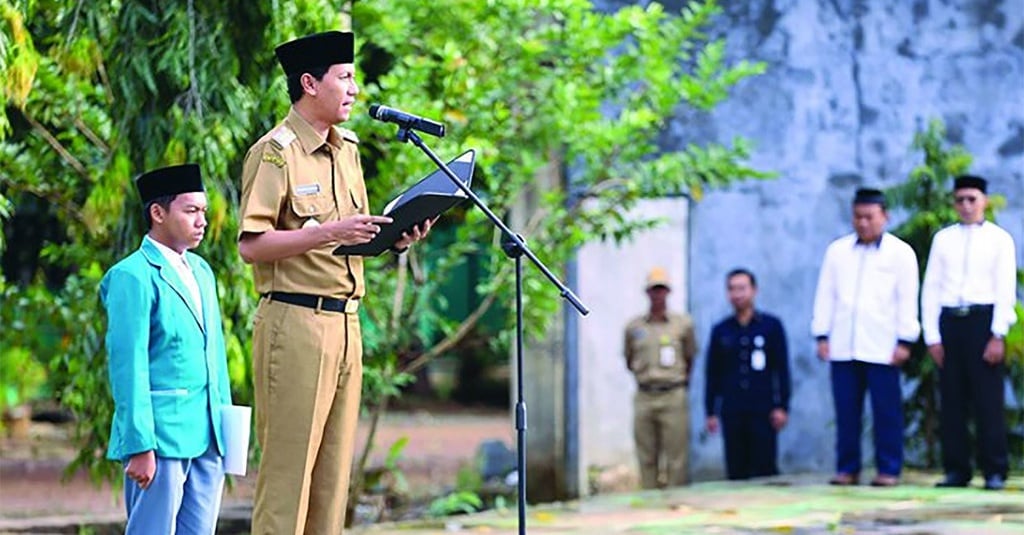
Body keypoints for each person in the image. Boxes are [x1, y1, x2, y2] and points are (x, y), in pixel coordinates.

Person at [237, 31, 432, 534]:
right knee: (288, 482)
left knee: (332, 483)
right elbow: (251, 245)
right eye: (344, 77)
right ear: (309, 83)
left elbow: (349, 238)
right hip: (295, 323)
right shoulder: (275, 153)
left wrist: (395, 239)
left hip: (347, 324)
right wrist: (328, 232)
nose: (355, 89)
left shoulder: (348, 150)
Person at [100, 163, 232, 534]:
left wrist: (226, 430)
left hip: (208, 435)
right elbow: (129, 367)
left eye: (203, 211)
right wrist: (140, 444)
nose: (201, 221)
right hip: (161, 438)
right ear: (158, 213)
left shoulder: (202, 271)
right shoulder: (132, 275)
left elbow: (214, 357)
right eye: (190, 211)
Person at [811, 187, 920, 487]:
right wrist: (822, 334)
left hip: (883, 346)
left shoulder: (901, 254)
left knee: (886, 412)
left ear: (884, 216)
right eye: (858, 217)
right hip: (843, 344)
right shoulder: (837, 252)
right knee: (846, 412)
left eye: (869, 217)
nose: (863, 223)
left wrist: (905, 340)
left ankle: (888, 469)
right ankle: (848, 468)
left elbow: (907, 299)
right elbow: (826, 295)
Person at [921, 175, 1018, 491]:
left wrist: (998, 334)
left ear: (984, 201)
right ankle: (956, 470)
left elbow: (1006, 289)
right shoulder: (943, 239)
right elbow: (931, 288)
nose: (965, 205)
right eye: (960, 199)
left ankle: (994, 470)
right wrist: (932, 336)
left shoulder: (999, 239)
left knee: (988, 401)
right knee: (951, 399)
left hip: (983, 321)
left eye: (971, 199)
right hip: (951, 322)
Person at [705, 268, 791, 480]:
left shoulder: (771, 326)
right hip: (732, 409)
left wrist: (782, 406)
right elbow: (712, 372)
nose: (737, 294)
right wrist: (711, 411)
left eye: (742, 288)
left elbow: (781, 369)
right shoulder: (721, 330)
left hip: (763, 409)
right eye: (732, 289)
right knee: (736, 469)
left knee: (765, 468)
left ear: (754, 290)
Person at [623, 267, 698, 488]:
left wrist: (679, 380)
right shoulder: (634, 327)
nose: (658, 295)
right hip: (645, 394)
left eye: (662, 290)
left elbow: (690, 356)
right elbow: (629, 359)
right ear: (647, 293)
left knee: (676, 456)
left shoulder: (682, 325)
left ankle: (675, 502)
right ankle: (650, 501)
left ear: (668, 292)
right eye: (654, 290)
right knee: (646, 455)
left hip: (673, 394)